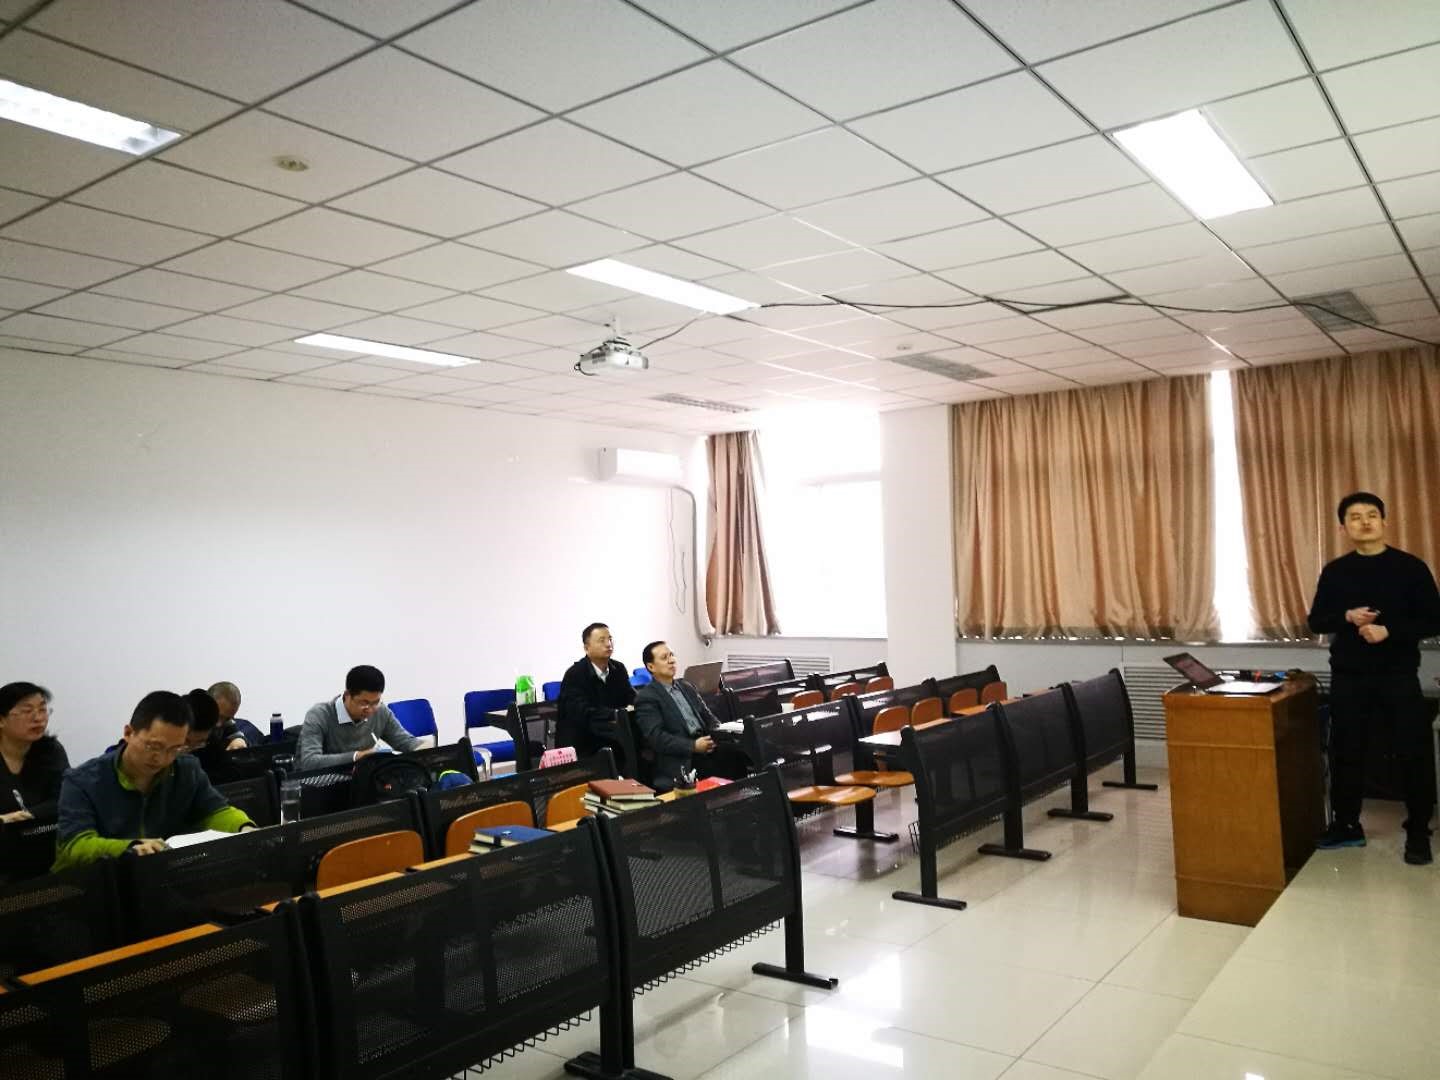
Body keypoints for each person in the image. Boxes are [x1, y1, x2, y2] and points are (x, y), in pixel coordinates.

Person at [1308, 492, 1440, 865]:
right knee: (1347, 752)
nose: (1364, 522)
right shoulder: (1335, 571)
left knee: (1412, 752)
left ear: (1384, 522)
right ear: (1343, 528)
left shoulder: (1410, 567)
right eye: (1355, 517)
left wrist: (1389, 631)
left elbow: (1434, 619)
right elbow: (1316, 621)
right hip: (1349, 676)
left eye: (1371, 515)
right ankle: (1348, 825)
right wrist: (1346, 617)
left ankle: (1418, 830)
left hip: (1398, 676)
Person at [53, 690, 255, 871]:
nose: (162, 758)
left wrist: (244, 828)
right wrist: (132, 847)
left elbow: (215, 811)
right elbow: (75, 846)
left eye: (175, 749)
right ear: (128, 733)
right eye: (154, 747)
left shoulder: (186, 768)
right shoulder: (82, 781)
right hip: (96, 884)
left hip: (157, 876)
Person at [634, 640, 749, 791]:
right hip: (683, 758)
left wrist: (724, 732)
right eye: (664, 658)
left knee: (742, 753)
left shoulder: (686, 686)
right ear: (651, 667)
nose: (671, 660)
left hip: (706, 745)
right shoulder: (647, 697)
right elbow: (657, 738)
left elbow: (709, 719)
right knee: (722, 766)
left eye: (671, 655)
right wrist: (693, 746)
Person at [298, 665, 422, 770]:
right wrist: (357, 756)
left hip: (361, 780)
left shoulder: (380, 711)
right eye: (364, 703)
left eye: (376, 702)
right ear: (347, 695)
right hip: (322, 783)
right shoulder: (320, 714)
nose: (370, 709)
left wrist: (426, 748)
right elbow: (310, 762)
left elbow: (405, 742)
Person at [556, 623, 636, 758]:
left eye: (610, 639)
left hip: (612, 733)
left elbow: (630, 695)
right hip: (584, 740)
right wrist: (616, 713)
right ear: (587, 648)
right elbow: (582, 711)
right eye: (601, 640)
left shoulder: (618, 668)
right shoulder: (575, 674)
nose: (608, 644)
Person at [0, 682, 69, 823]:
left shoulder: (51, 750)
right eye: (27, 711)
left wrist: (14, 818)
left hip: (44, 832)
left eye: (42, 710)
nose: (38, 718)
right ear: (1, 720)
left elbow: (65, 798)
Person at [207, 681, 265, 748]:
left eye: (227, 718)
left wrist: (240, 740)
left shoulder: (228, 723)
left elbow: (236, 735)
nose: (219, 724)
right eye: (217, 716)